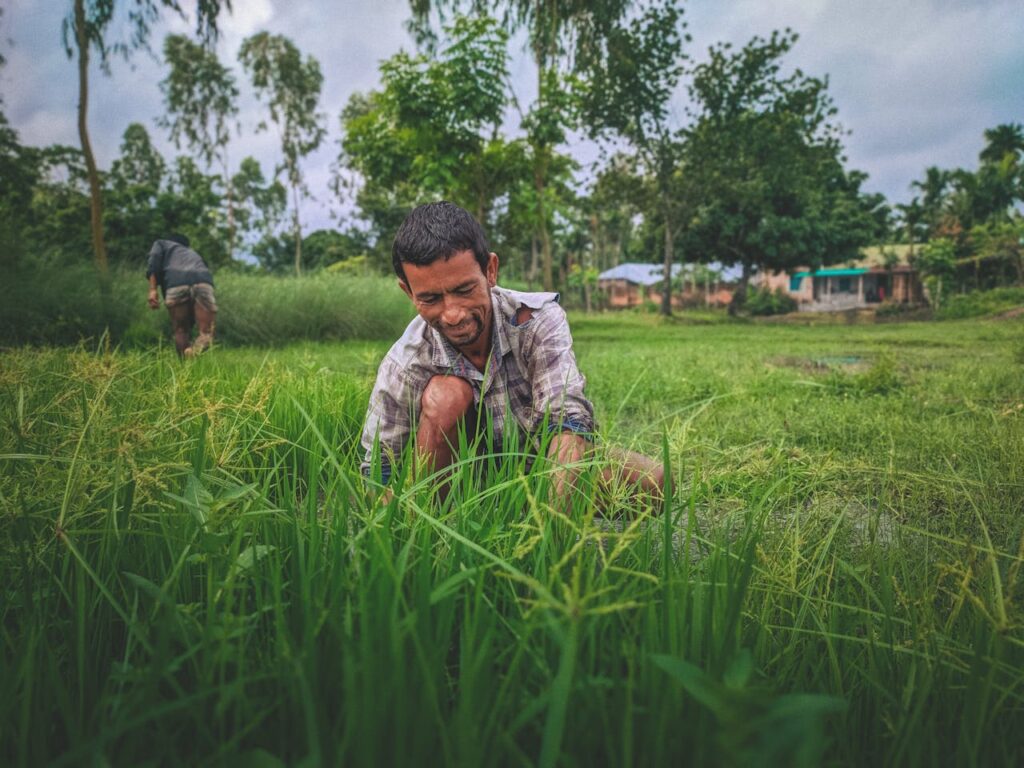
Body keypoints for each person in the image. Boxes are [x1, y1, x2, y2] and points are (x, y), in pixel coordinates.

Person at [359, 201, 663, 507]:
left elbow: (566, 422)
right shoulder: (406, 362)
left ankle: (530, 510)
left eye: (464, 290)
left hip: (541, 471)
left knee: (658, 484)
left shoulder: (537, 322)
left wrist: (552, 535)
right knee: (446, 395)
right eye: (430, 298)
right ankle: (448, 520)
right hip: (456, 488)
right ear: (409, 292)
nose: (452, 314)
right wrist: (404, 523)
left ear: (490, 270)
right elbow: (380, 474)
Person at [146, 234, 218, 358]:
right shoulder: (193, 254)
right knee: (206, 333)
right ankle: (193, 352)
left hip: (176, 282)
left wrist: (153, 289)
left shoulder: (161, 243)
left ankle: (184, 366)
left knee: (181, 331)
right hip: (203, 280)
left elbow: (154, 262)